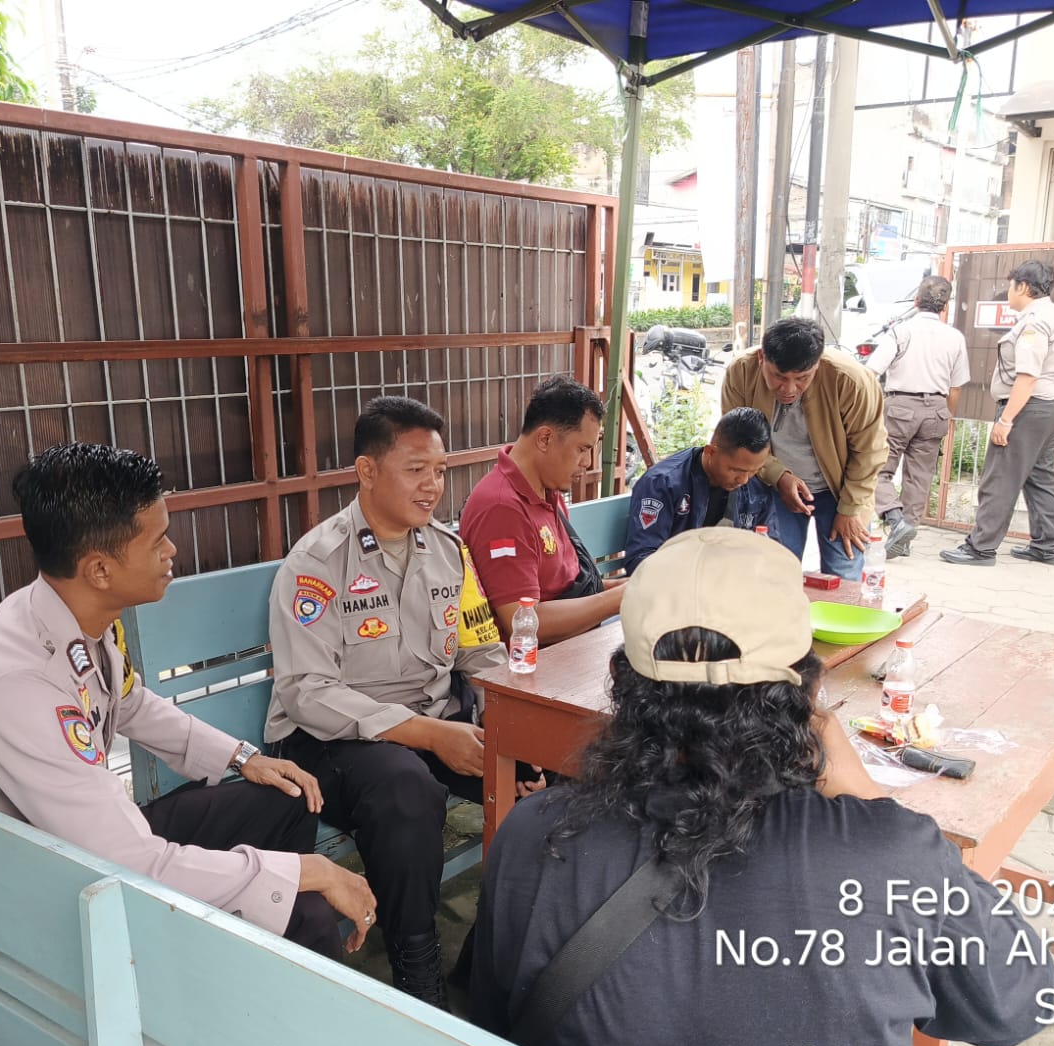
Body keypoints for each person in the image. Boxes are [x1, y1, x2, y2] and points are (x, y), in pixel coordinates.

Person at [468, 527, 1054, 1046]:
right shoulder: (889, 856)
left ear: (624, 684)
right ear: (805, 691)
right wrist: (871, 802)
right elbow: (1019, 1002)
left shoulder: (534, 833)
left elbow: (494, 1033)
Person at [0, 443, 376, 961]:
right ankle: (257, 958)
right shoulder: (17, 687)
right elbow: (130, 863)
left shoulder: (68, 617)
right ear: (99, 570)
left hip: (77, 844)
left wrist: (242, 757)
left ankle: (243, 949)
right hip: (27, 896)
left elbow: (131, 703)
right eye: (157, 540)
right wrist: (306, 872)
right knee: (305, 911)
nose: (171, 550)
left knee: (286, 800)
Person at [266, 396, 538, 1008]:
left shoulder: (448, 550)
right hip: (330, 743)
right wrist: (431, 735)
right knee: (406, 788)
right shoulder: (317, 563)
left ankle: (487, 958)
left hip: (432, 728)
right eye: (416, 469)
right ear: (367, 471)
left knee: (538, 772)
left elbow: (480, 652)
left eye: (439, 470)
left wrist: (508, 726)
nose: (433, 485)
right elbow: (307, 692)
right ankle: (419, 977)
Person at [459, 375, 625, 645]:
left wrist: (621, 588)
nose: (587, 462)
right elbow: (522, 620)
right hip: (535, 662)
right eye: (583, 449)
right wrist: (614, 600)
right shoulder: (501, 508)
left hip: (575, 645)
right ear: (545, 439)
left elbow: (560, 588)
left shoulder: (546, 490)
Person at [720, 317, 886, 580]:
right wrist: (779, 476)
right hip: (774, 488)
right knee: (775, 574)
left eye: (802, 378)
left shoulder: (851, 380)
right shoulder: (741, 372)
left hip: (843, 490)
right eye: (778, 376)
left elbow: (870, 452)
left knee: (843, 576)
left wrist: (850, 509)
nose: (789, 389)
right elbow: (738, 439)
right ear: (762, 357)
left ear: (817, 364)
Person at [941, 259, 1054, 567]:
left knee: (1000, 478)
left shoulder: (1034, 323)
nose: (1009, 292)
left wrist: (1006, 420)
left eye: (1011, 286)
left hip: (1029, 409)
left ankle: (980, 548)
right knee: (1042, 477)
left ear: (1023, 287)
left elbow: (1027, 377)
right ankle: (1048, 546)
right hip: (1053, 405)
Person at [863, 274, 970, 557]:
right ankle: (905, 537)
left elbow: (871, 371)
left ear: (916, 301)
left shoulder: (901, 331)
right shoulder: (955, 338)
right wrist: (947, 416)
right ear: (944, 307)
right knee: (920, 476)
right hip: (937, 408)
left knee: (876, 467)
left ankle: (895, 519)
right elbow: (956, 386)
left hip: (900, 407)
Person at [622, 407, 775, 574]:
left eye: (754, 471)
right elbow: (641, 560)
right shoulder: (662, 484)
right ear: (710, 452)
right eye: (735, 470)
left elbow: (769, 551)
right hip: (674, 583)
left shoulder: (757, 491)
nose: (744, 480)